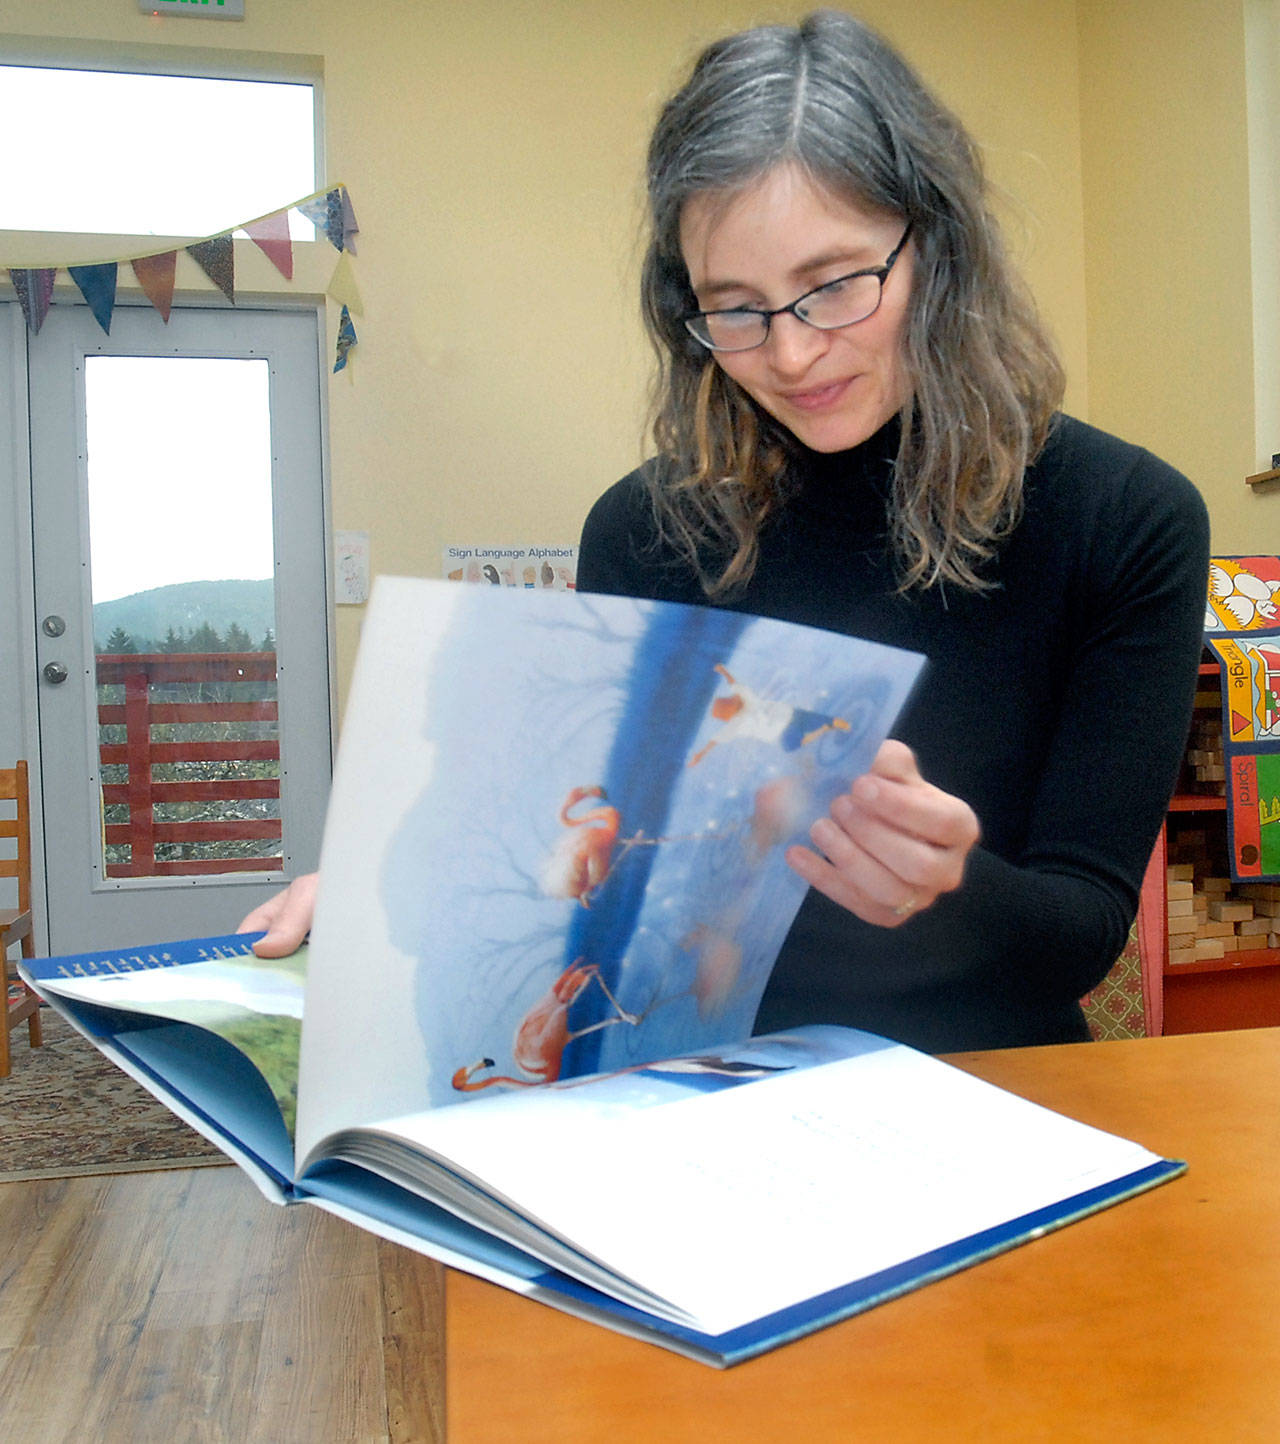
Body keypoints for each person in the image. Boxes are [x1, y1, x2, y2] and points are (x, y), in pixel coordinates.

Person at [245, 10, 1210, 1054]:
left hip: (996, 1087)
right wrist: (401, 907)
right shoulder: (643, 528)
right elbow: (601, 853)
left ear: (935, 247)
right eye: (735, 308)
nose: (790, 355)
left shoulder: (1124, 519)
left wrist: (947, 887)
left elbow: (1081, 936)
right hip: (694, 1080)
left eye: (834, 285)